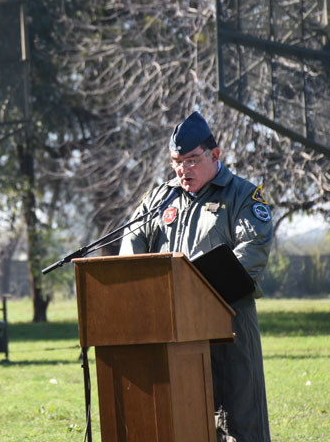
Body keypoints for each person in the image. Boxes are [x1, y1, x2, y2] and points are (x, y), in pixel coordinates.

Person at [119, 111, 273, 442]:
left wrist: (193, 295)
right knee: (181, 421)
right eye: (177, 162)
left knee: (238, 423)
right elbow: (131, 243)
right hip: (171, 330)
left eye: (191, 160)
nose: (182, 170)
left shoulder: (243, 196)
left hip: (227, 326)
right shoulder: (161, 197)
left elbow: (252, 253)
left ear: (215, 155)